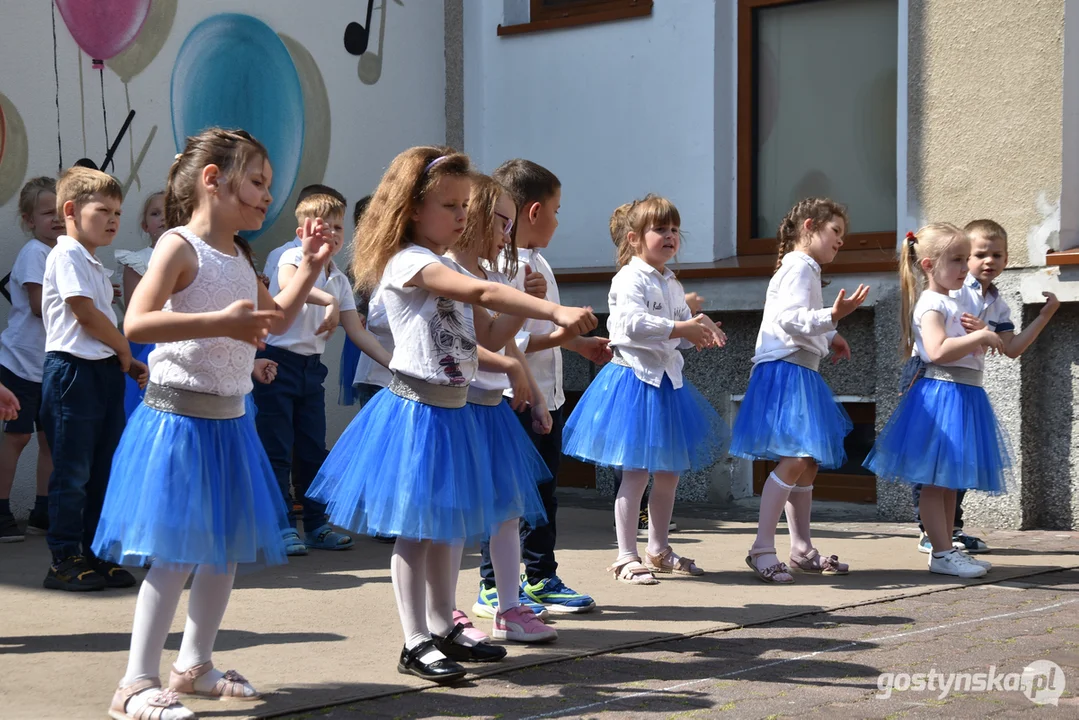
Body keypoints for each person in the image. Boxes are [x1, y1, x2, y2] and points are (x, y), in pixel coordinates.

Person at [306, 146, 596, 683]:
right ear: (414, 209)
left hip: (453, 411)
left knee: (446, 533)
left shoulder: (442, 263)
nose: (463, 216)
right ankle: (414, 638)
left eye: (465, 206)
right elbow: (482, 290)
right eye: (451, 205)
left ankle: (443, 625)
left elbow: (486, 334)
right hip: (416, 412)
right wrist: (550, 307)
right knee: (417, 534)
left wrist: (516, 308)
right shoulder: (410, 261)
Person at [92, 128, 333, 720]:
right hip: (178, 422)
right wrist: (218, 323)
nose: (264, 198)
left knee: (221, 555)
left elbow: (269, 320)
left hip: (229, 423)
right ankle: (135, 682)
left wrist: (310, 270)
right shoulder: (179, 247)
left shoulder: (240, 256)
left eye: (267, 187)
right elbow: (137, 324)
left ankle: (194, 664)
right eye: (256, 182)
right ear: (212, 179)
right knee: (174, 557)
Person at [563, 195, 728, 585]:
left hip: (668, 385)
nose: (670, 236)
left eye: (674, 230)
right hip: (635, 384)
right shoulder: (629, 277)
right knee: (634, 475)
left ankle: (658, 547)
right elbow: (627, 327)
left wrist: (699, 330)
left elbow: (680, 333)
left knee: (669, 473)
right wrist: (680, 328)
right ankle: (625, 555)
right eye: (661, 229)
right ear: (635, 238)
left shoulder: (671, 281)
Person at [473, 159, 610, 621]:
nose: (558, 218)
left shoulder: (537, 263)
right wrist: (560, 327)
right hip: (514, 396)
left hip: (546, 394)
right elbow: (514, 337)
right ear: (533, 212)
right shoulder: (499, 264)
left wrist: (581, 343)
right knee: (510, 495)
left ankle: (539, 574)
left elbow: (542, 330)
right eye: (556, 208)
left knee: (542, 491)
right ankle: (493, 584)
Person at [865, 223, 1018, 578]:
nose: (965, 268)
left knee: (949, 480)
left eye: (966, 259)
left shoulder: (951, 300)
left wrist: (983, 331)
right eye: (957, 260)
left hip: (963, 392)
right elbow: (935, 351)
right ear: (929, 265)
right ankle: (942, 551)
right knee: (936, 481)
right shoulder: (931, 303)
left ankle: (946, 548)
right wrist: (981, 334)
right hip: (941, 394)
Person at [730, 198, 868, 584]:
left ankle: (801, 548)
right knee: (794, 459)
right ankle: (761, 548)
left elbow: (795, 318)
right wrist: (833, 317)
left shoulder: (804, 269)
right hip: (786, 372)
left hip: (800, 372)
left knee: (807, 463)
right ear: (810, 226)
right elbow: (791, 320)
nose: (840, 241)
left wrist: (832, 333)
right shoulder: (799, 267)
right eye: (835, 232)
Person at [446, 173, 557, 643]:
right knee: (451, 516)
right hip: (458, 406)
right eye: (502, 223)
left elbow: (506, 340)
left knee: (507, 511)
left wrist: (531, 387)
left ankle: (510, 608)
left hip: (492, 409)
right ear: (472, 216)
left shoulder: (487, 275)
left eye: (512, 225)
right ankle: (444, 609)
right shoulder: (449, 273)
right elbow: (465, 345)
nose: (508, 236)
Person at [910, 219, 1059, 555]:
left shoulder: (998, 302)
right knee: (936, 462)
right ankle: (931, 534)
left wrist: (1044, 316)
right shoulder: (954, 288)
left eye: (998, 254)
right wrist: (977, 332)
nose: (988, 261)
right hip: (936, 376)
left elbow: (1011, 347)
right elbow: (940, 340)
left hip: (965, 383)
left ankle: (948, 534)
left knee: (957, 463)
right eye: (979, 254)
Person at [254, 187, 391, 555]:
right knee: (277, 450)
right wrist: (326, 299)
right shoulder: (286, 255)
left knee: (314, 450)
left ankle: (316, 524)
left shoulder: (339, 278)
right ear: (302, 232)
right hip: (275, 366)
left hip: (311, 371)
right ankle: (280, 526)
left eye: (337, 227)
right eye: (322, 227)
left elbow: (357, 330)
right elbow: (287, 283)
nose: (330, 233)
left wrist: (396, 366)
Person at [40, 167, 148, 592]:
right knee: (73, 470)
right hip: (72, 374)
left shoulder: (92, 261)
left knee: (103, 467)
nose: (113, 219)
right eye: (103, 209)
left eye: (118, 212)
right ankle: (64, 557)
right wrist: (124, 348)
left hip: (102, 371)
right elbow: (84, 314)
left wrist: (123, 359)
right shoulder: (65, 254)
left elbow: (101, 322)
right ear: (70, 210)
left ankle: (95, 554)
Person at [0, 177, 60, 541]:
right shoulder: (35, 254)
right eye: (46, 212)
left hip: (49, 366)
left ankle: (43, 509)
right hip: (21, 364)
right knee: (17, 438)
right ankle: (1, 508)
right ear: (28, 220)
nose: (55, 219)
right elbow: (40, 307)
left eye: (60, 211)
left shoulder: (64, 252)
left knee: (50, 441)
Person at [116, 190, 166, 418]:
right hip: (147, 347)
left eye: (171, 211)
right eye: (155, 214)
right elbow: (133, 310)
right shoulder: (137, 260)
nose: (164, 218)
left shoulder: (196, 258)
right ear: (145, 226)